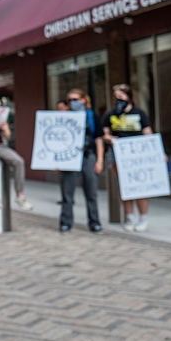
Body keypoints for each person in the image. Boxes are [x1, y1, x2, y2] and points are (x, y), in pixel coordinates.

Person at [99, 83, 154, 232]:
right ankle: (129, 216)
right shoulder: (111, 114)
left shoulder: (139, 113)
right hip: (118, 153)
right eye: (116, 96)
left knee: (140, 186)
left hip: (137, 154)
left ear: (128, 96)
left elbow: (148, 133)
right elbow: (104, 134)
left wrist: (156, 152)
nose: (118, 99)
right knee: (124, 186)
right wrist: (110, 139)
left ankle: (143, 217)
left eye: (121, 96)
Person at [59, 89, 103, 233]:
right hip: (69, 158)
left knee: (91, 192)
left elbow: (99, 139)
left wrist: (99, 160)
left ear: (84, 100)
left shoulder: (92, 116)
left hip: (88, 155)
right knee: (67, 192)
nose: (73, 103)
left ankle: (94, 222)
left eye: (76, 99)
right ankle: (66, 222)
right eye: (70, 100)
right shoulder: (64, 117)